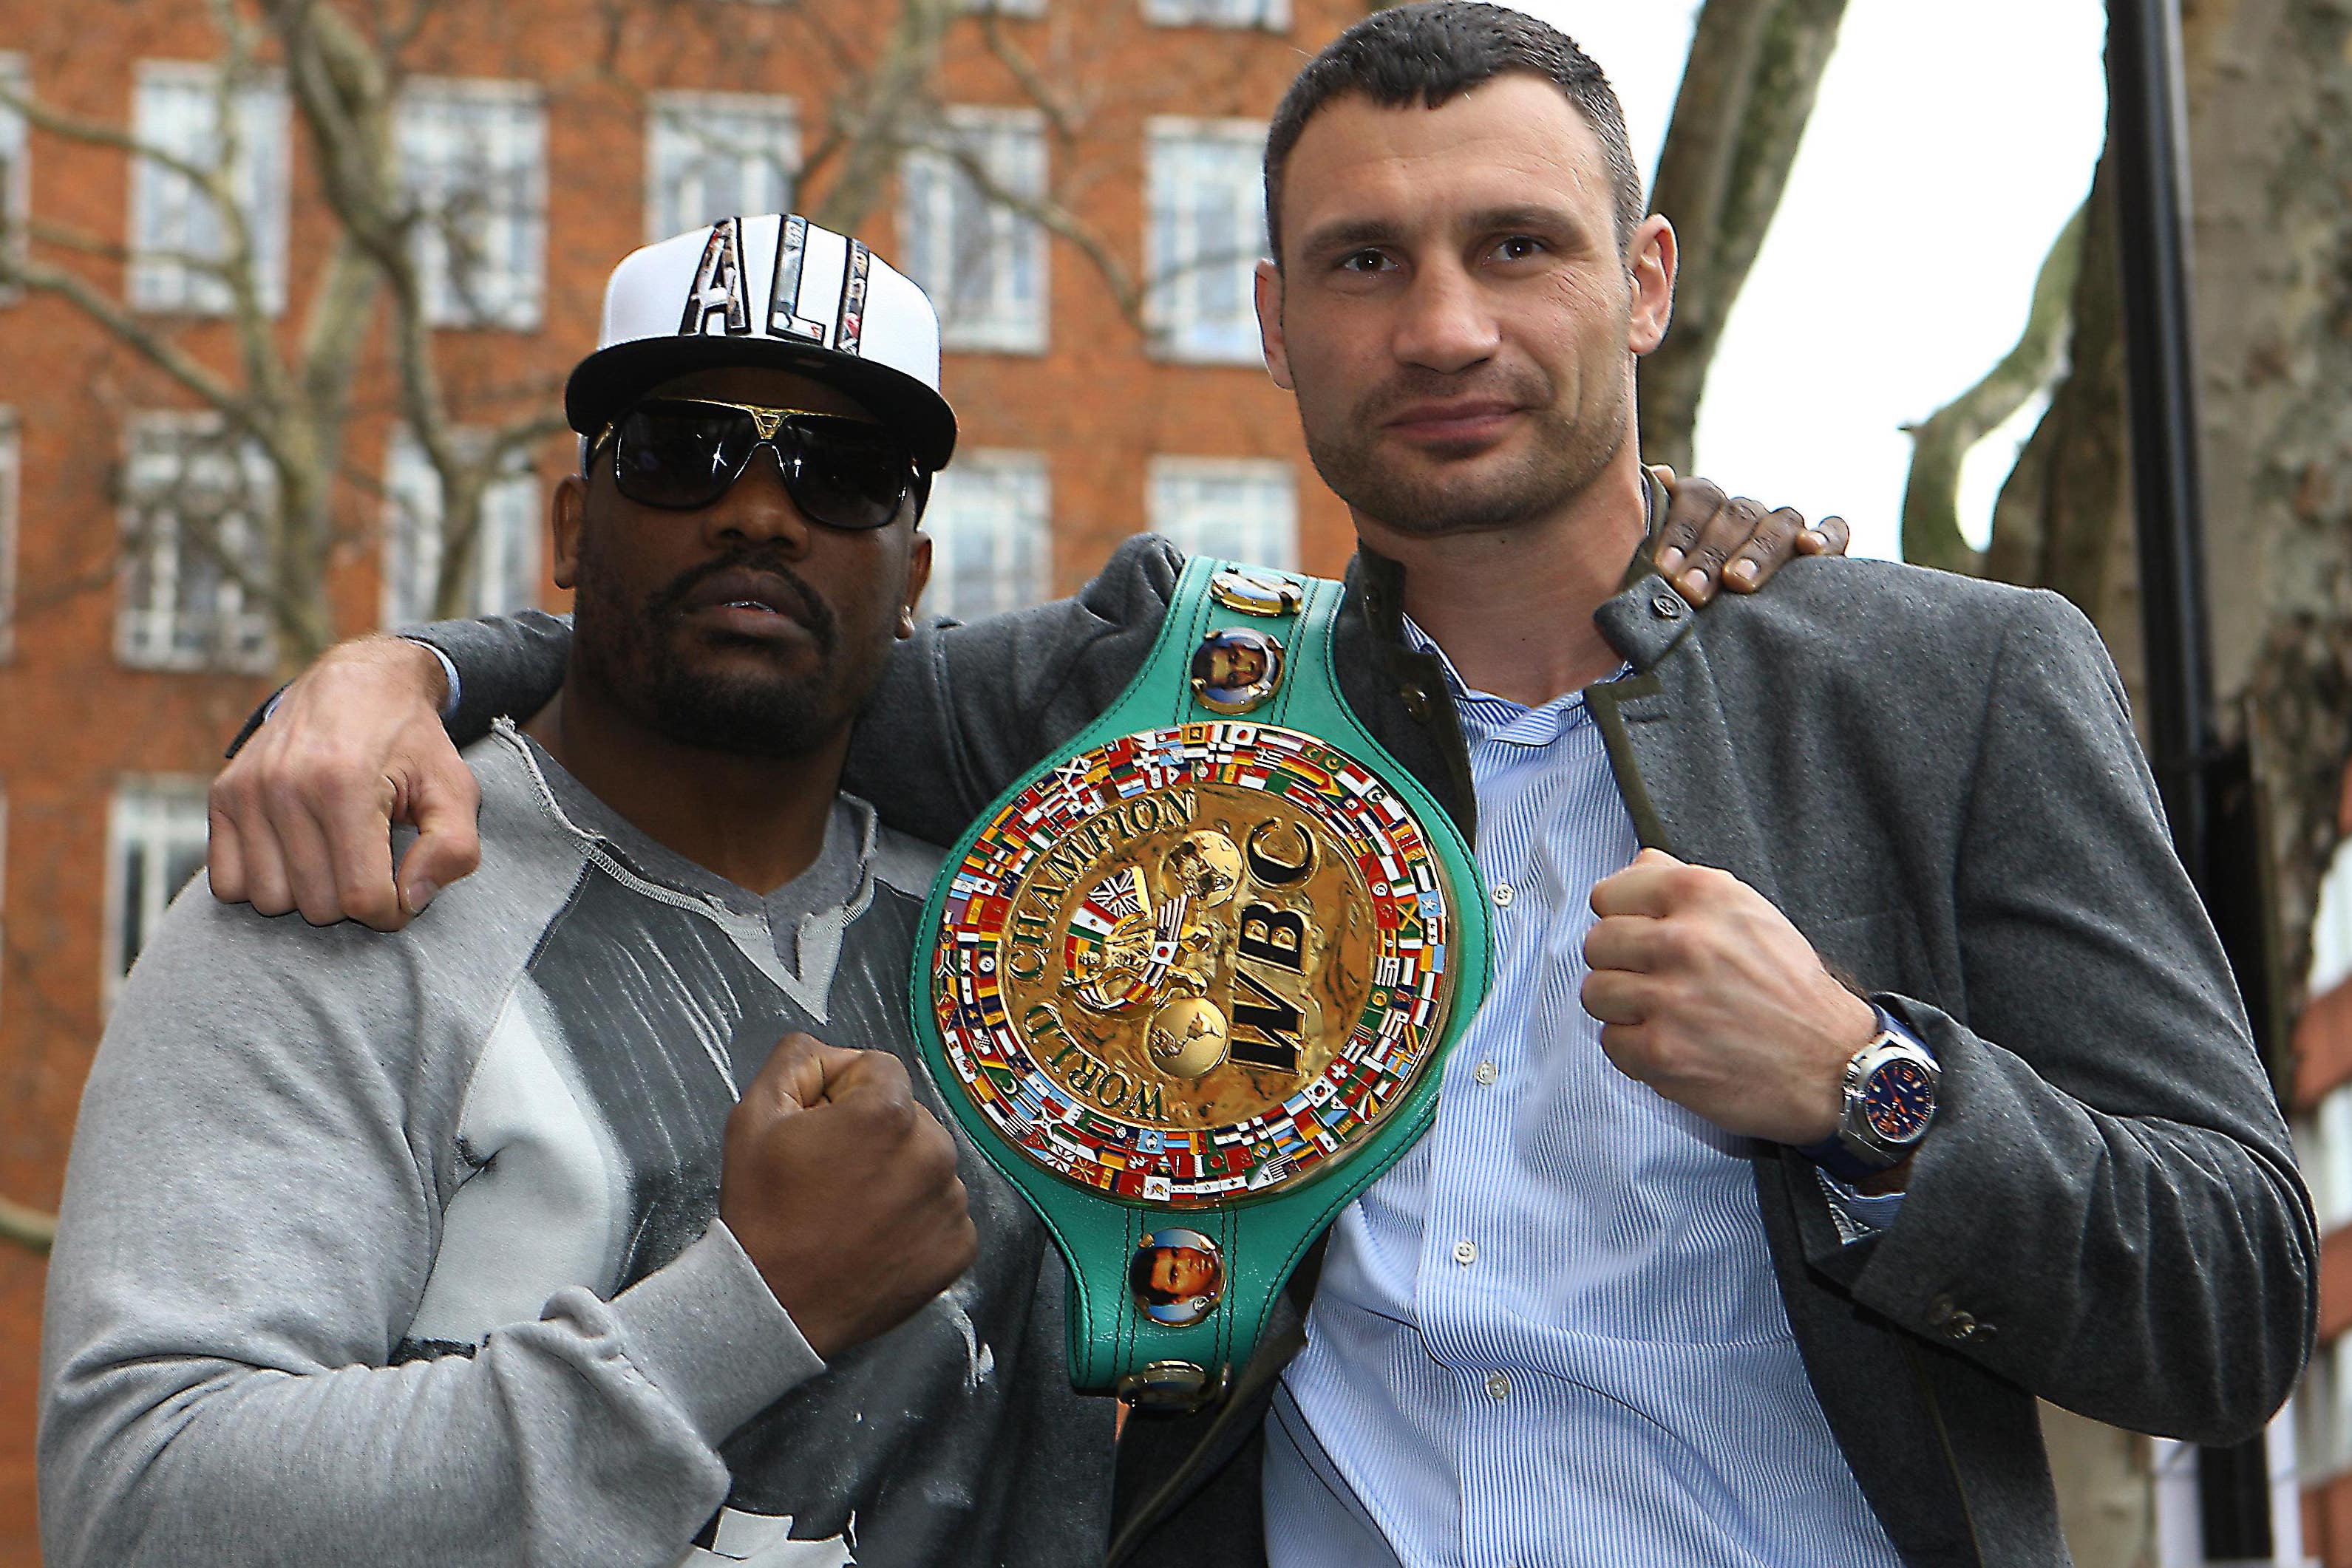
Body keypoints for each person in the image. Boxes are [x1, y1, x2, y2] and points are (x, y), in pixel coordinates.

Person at [194, 6, 2314, 1567]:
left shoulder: (1948, 687)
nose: (1447, 326)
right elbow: (749, 646)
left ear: (1644, 281)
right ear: (1273, 325)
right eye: (1364, 265)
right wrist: (404, 669)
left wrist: (1869, 1088)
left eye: (1517, 247)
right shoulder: (1158, 684)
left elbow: (2228, 1295)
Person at [40, 216, 1116, 1568]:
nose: (759, 510)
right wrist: (744, 1310)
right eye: (682, 452)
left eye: (842, 474)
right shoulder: (348, 884)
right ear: (569, 525)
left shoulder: (1017, 940)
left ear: (912, 579)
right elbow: (142, 1503)